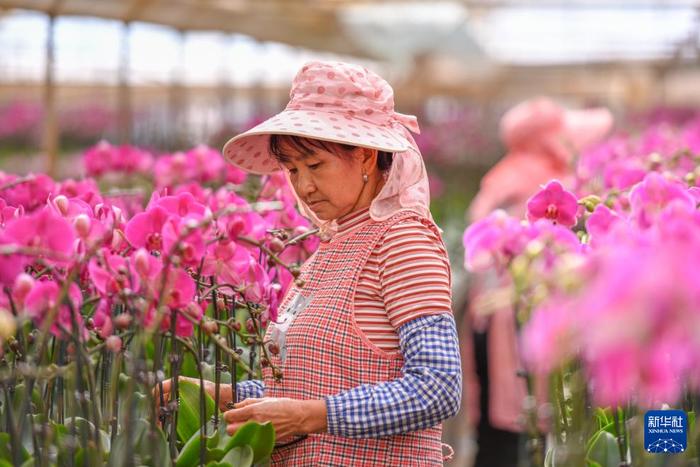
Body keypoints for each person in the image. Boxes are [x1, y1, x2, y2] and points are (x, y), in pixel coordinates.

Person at [158, 60, 462, 466]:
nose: (303, 185)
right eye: (293, 169)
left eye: (315, 165)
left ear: (367, 156)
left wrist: (311, 418)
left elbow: (438, 387)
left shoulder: (402, 239)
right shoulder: (334, 243)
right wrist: (226, 395)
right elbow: (316, 385)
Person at [462, 97, 613, 466]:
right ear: (551, 142)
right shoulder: (551, 183)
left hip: (487, 318)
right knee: (527, 433)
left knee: (495, 434)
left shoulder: (501, 178)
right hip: (521, 322)